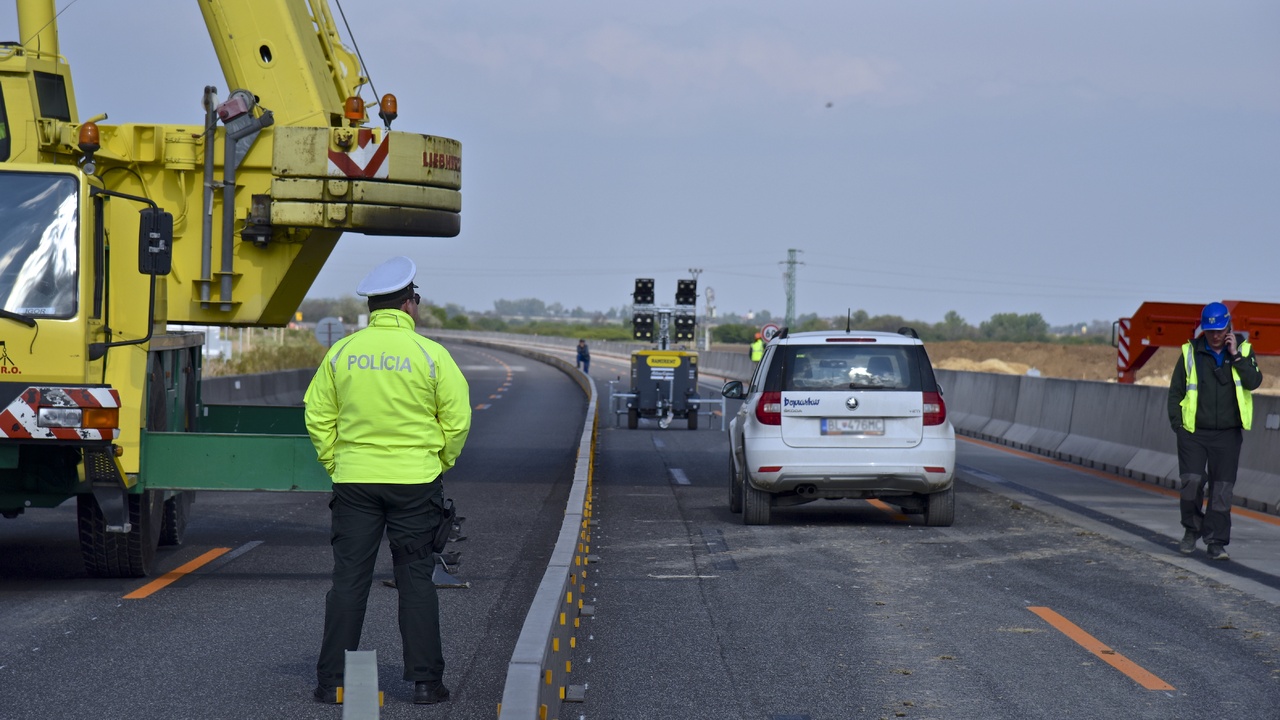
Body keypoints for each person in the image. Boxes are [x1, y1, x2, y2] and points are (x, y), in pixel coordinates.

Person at [304, 256, 471, 704]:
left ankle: (331, 682)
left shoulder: (341, 352)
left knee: (348, 580)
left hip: (355, 482)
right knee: (416, 578)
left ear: (374, 309)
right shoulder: (432, 356)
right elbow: (457, 420)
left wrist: (335, 463)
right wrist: (439, 462)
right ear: (409, 305)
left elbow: (317, 414)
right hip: (415, 483)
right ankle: (424, 684)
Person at [1167, 301, 1261, 561]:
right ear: (1203, 330)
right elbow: (1176, 392)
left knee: (1221, 490)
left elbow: (1254, 382)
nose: (1215, 335)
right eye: (1210, 331)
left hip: (1227, 434)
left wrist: (1236, 356)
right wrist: (1179, 426)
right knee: (1192, 483)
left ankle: (1216, 542)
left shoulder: (1243, 350)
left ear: (1228, 327)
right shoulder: (1190, 353)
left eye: (1220, 330)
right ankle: (1191, 530)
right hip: (1194, 432)